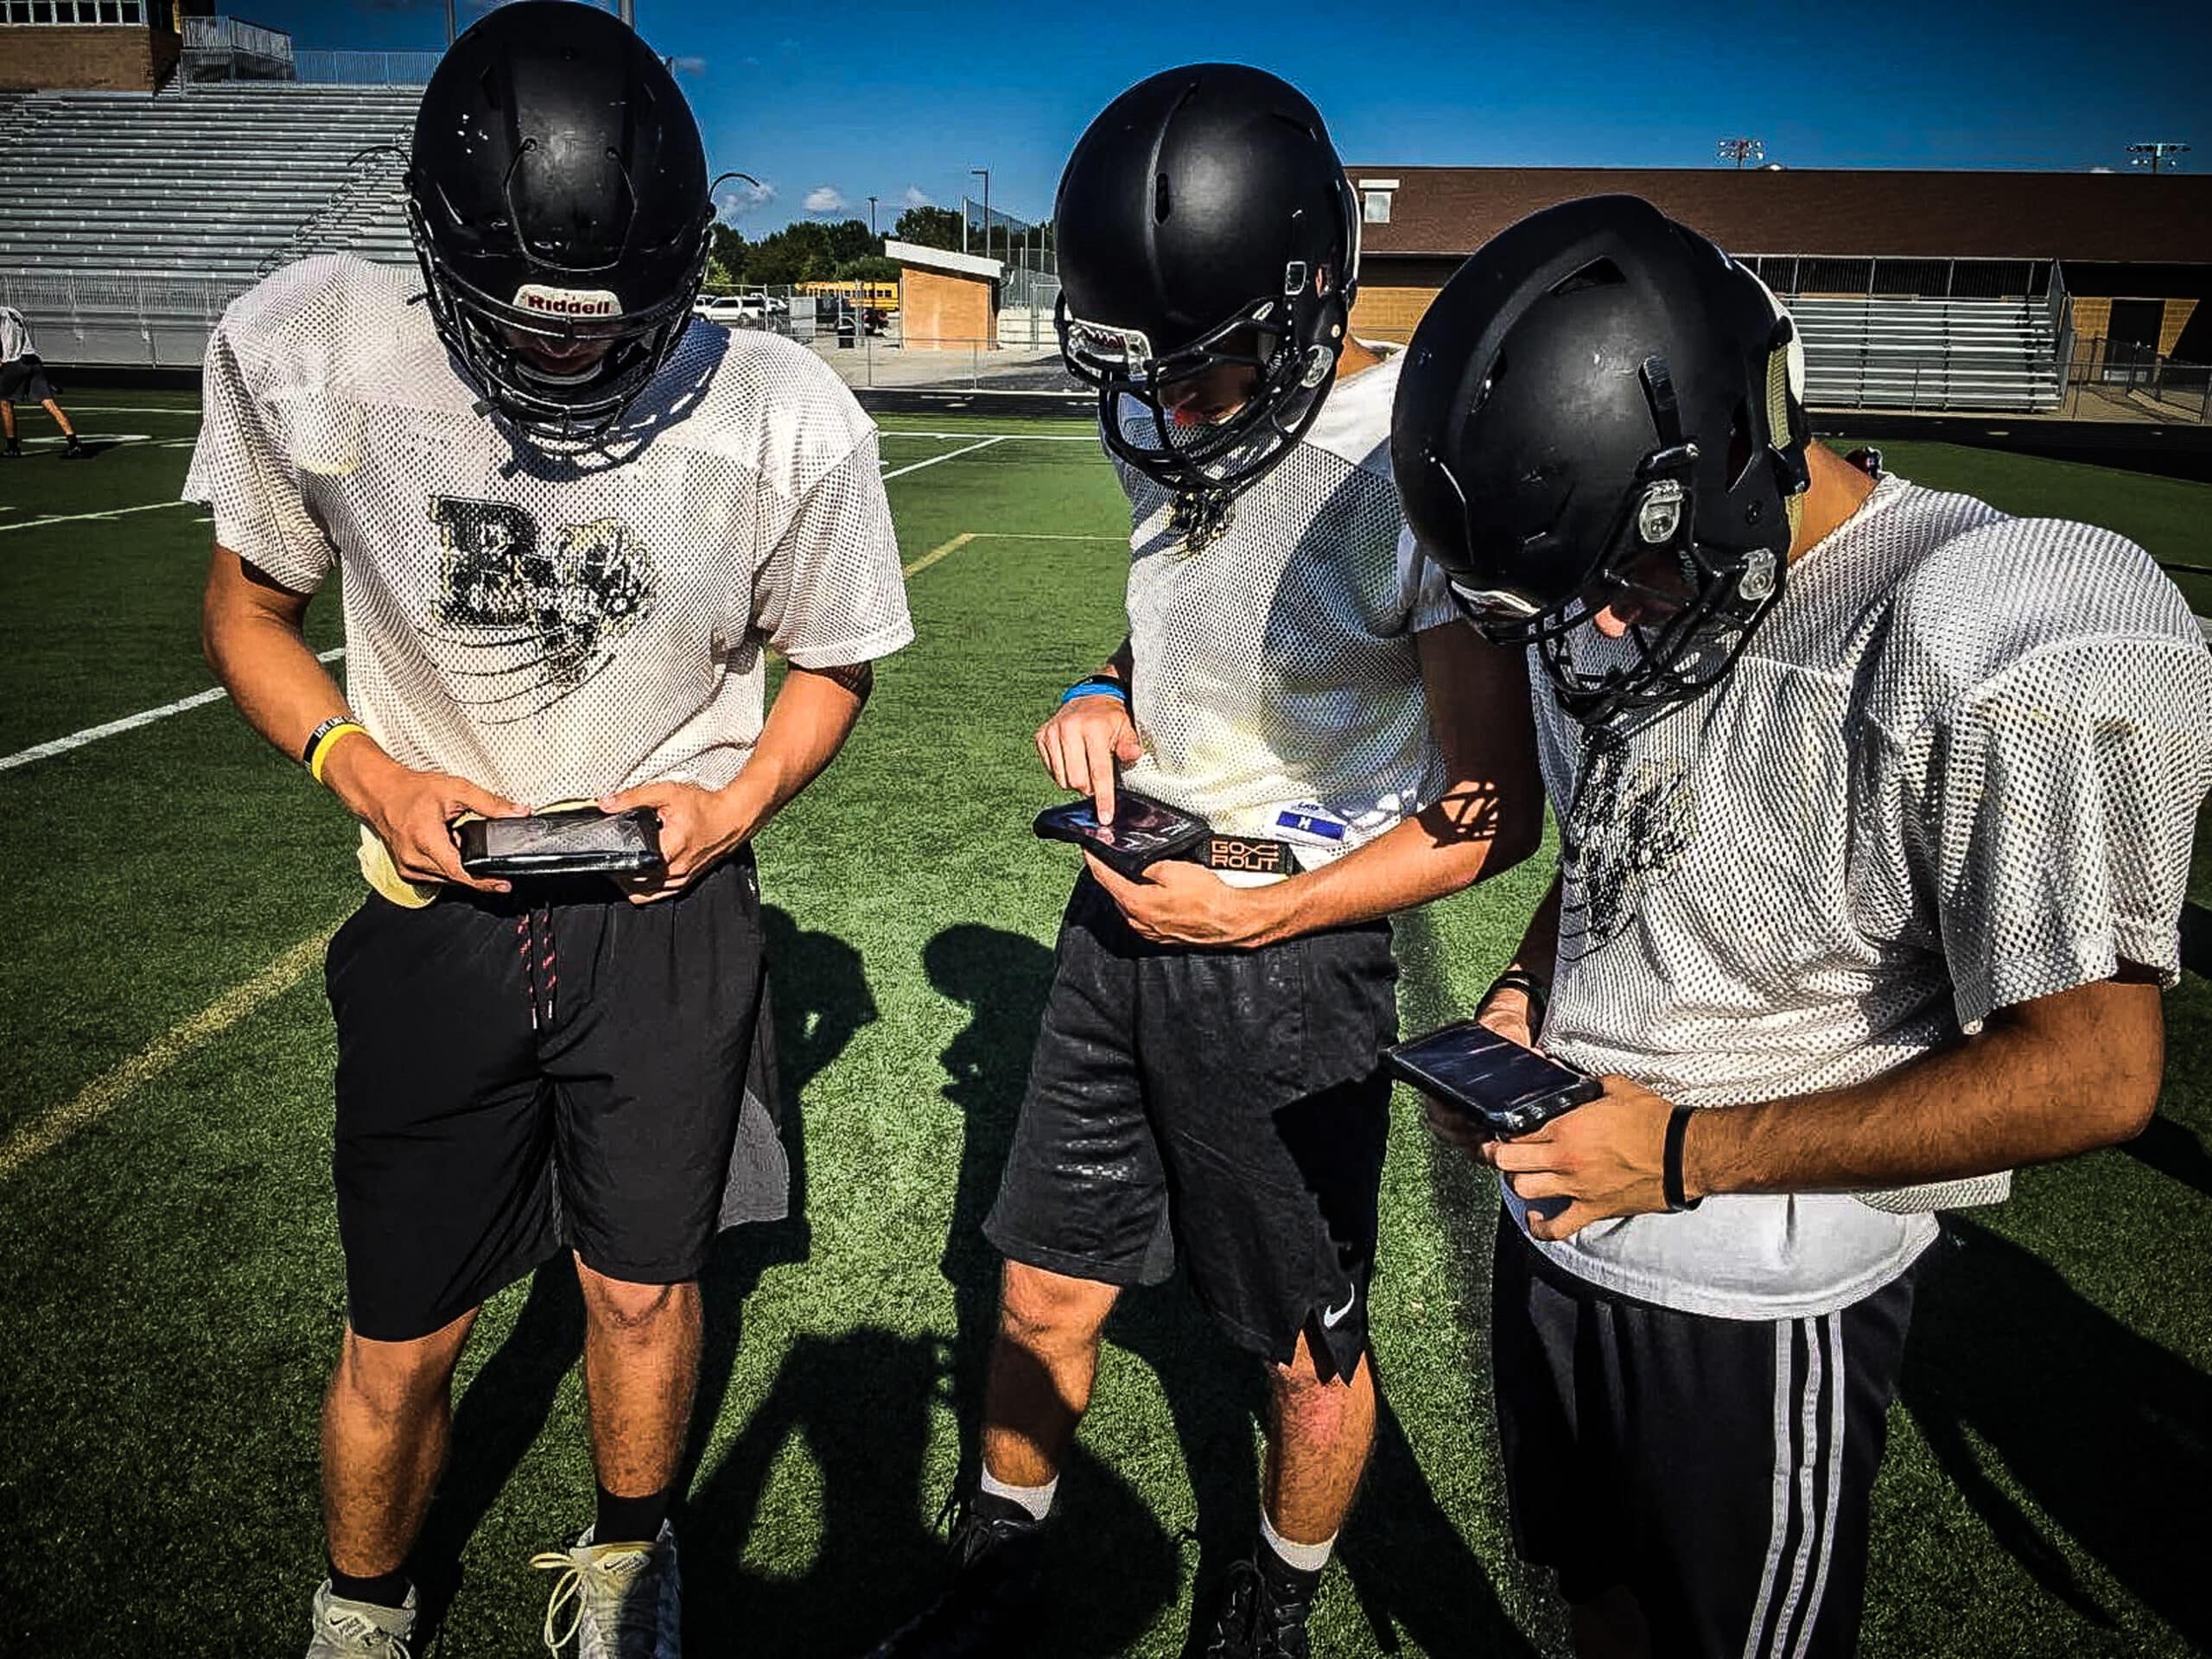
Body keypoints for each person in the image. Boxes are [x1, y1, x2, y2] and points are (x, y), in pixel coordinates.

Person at [1390, 193, 2212, 1658]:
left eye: (1628, 575)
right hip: (1565, 1221)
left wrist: (1692, 1152)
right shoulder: (1622, 579)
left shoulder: (1974, 610)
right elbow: (1612, 857)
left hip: (1756, 1294)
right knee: (1596, 1603)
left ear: (1740, 451)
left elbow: (2095, 1071)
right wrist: (1527, 1001)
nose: (1609, 627)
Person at [188, 5, 911, 1656]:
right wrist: (370, 775)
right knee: (400, 1324)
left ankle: (627, 1571)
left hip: (671, 909)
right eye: (534, 325)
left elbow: (835, 662)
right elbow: (246, 616)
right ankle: (363, 1606)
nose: (573, 358)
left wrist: (729, 803)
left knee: (644, 1289)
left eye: (612, 326)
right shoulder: (317, 341)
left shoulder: (783, 407)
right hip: (427, 899)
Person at [873, 64, 1541, 1659]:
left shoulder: (1414, 463)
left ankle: (1273, 1606)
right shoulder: (1179, 399)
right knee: (1041, 1289)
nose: (1169, 408)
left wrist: (1272, 911)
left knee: (1302, 1348)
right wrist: (1109, 688)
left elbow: (1492, 813)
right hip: (1123, 910)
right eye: (1144, 370)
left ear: (1311, 300)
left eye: (1208, 367)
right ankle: (1000, 1579)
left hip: (1297, 950)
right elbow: (1189, 623)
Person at [0, 304, 85, 458]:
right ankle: (74, 443)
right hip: (33, 360)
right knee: (49, 403)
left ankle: (12, 447)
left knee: (5, 403)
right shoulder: (14, 311)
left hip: (14, 362)